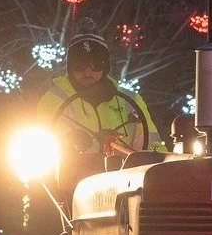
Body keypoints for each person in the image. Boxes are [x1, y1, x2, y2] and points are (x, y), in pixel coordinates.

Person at [37, 20, 161, 158]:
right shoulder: (54, 98)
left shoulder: (132, 101)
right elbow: (42, 147)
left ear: (105, 66)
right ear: (69, 66)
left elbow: (153, 148)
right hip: (72, 170)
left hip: (126, 172)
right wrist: (66, 142)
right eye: (79, 64)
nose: (88, 71)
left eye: (96, 63)